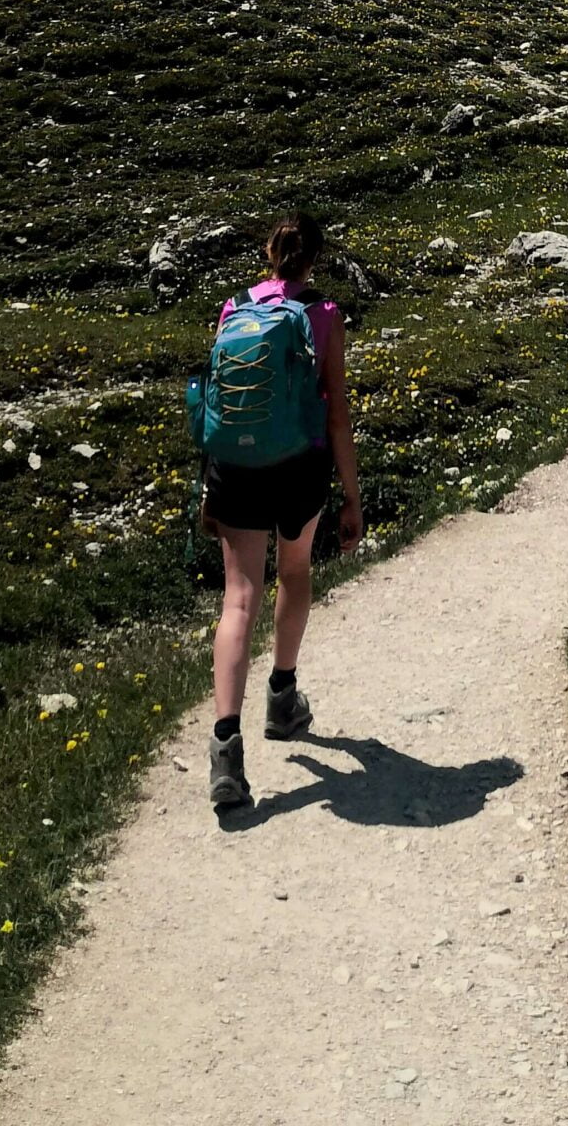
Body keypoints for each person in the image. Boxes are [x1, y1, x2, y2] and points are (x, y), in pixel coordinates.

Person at [203, 212, 362, 816]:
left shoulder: (233, 306)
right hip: (298, 465)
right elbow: (337, 411)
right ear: (313, 259)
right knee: (293, 573)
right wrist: (352, 495)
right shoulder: (322, 315)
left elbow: (224, 395)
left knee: (237, 597)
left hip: (234, 468)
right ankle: (282, 698)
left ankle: (225, 752)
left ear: (269, 256)